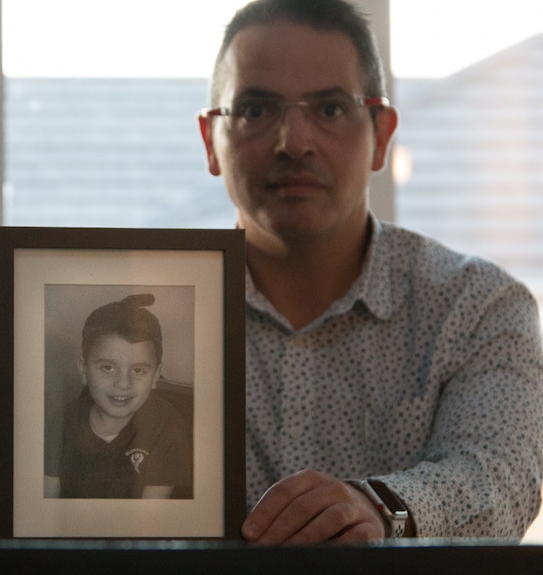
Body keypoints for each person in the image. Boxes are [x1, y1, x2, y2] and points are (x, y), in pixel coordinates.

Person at [197, 0, 543, 543]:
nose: (294, 143)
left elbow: (500, 476)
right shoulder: (156, 303)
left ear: (382, 135)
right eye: (257, 110)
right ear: (209, 140)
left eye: (330, 109)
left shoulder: (478, 307)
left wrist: (380, 509)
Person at [44, 294, 192, 499]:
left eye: (139, 370)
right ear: (84, 369)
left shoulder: (167, 425)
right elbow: (43, 512)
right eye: (107, 367)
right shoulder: (57, 426)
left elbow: (153, 520)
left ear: (156, 375)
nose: (123, 383)